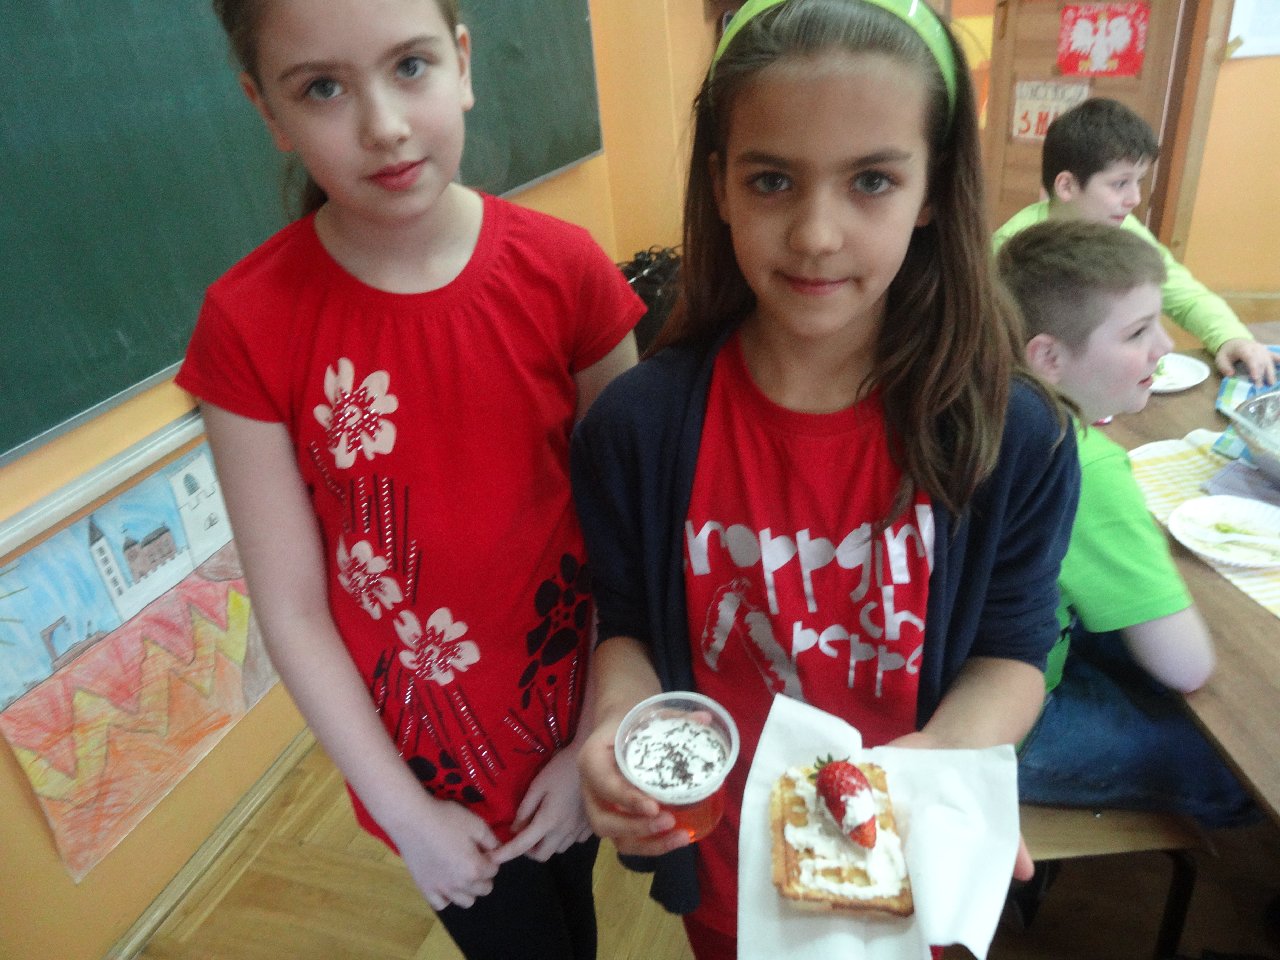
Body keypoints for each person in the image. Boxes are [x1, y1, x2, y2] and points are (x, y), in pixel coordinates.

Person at [569, 1, 1081, 957]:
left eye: (872, 180)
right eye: (772, 180)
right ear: (719, 186)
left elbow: (1011, 652)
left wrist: (941, 758)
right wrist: (617, 726)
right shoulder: (637, 429)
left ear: (932, 189)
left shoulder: (1012, 438)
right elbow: (626, 626)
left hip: (907, 861)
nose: (815, 234)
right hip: (727, 877)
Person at [177, 1, 644, 958]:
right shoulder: (247, 325)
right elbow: (293, 608)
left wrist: (594, 734)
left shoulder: (568, 274)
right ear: (268, 110)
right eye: (323, 88)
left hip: (577, 720)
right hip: (431, 776)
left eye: (411, 67)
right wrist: (405, 814)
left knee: (573, 916)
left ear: (462, 62)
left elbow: (626, 535)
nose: (383, 125)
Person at [996, 220, 1256, 828]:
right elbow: (1187, 667)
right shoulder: (1083, 463)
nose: (1164, 346)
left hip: (958, 687)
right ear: (1048, 357)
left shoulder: (988, 402)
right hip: (1009, 731)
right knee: (1241, 762)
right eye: (1138, 332)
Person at [992, 97, 1275, 386]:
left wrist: (1231, 337)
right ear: (1067, 186)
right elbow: (992, 342)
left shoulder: (1124, 230)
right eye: (1120, 183)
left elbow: (1182, 292)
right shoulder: (1012, 247)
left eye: (1139, 181)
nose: (1135, 198)